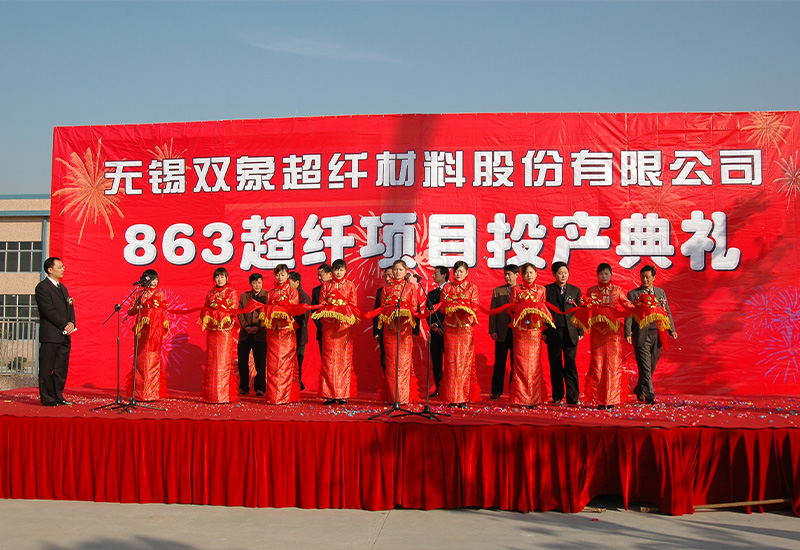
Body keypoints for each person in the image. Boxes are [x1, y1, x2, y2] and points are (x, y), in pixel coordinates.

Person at [575, 263, 633, 410]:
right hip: (597, 333)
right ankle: (599, 399)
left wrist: (638, 306)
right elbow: (586, 308)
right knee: (598, 364)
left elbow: (627, 304)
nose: (604, 276)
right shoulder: (591, 291)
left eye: (606, 273)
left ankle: (611, 398)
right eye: (601, 274)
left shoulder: (617, 290)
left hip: (613, 333)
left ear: (611, 274)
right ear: (597, 275)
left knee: (613, 364)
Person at [625, 264, 678, 404]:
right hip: (641, 334)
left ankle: (639, 389)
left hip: (658, 334)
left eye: (647, 277)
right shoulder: (633, 294)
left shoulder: (660, 293)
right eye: (642, 277)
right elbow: (629, 314)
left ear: (653, 277)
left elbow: (666, 312)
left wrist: (671, 329)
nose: (645, 279)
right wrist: (628, 332)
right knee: (645, 366)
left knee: (652, 364)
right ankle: (649, 396)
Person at [311, 259, 359, 405]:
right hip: (329, 328)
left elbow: (353, 305)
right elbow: (321, 304)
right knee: (329, 361)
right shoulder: (326, 286)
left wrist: (342, 307)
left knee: (344, 361)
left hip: (344, 329)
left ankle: (342, 394)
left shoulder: (350, 285)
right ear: (332, 271)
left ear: (346, 271)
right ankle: (329, 394)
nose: (338, 272)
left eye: (341, 270)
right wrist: (331, 307)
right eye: (336, 270)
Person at [507, 264, 554, 407]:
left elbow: (544, 310)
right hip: (521, 332)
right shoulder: (516, 289)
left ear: (536, 274)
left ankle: (534, 398)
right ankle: (521, 398)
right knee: (520, 365)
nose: (529, 275)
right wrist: (521, 308)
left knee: (534, 365)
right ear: (522, 275)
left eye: (531, 272)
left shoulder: (541, 290)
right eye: (526, 273)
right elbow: (511, 309)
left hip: (535, 331)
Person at [376, 260, 421, 404]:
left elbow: (414, 307)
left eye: (400, 269)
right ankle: (392, 397)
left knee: (403, 364)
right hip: (389, 331)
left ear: (406, 271)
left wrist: (404, 314)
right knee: (391, 364)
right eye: (395, 269)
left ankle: (403, 397)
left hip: (405, 331)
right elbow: (382, 308)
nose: (397, 272)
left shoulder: (410, 287)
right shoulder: (386, 288)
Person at [34, 257, 76, 406]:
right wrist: (64, 324)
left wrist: (71, 323)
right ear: (50, 270)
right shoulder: (42, 287)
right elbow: (48, 311)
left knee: (61, 368)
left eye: (63, 266)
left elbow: (70, 308)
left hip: (64, 335)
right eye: (60, 267)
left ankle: (58, 395)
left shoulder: (63, 288)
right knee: (47, 367)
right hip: (51, 335)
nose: (63, 269)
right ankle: (47, 398)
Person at [439, 261, 481, 408]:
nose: (458, 274)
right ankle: (452, 397)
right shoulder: (447, 287)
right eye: (456, 271)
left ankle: (463, 397)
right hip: (451, 328)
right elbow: (442, 307)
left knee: (464, 363)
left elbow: (475, 307)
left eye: (461, 271)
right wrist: (451, 307)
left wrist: (464, 308)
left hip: (465, 329)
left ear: (467, 273)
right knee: (451, 362)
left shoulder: (472, 288)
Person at [544, 261, 583, 405]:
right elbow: (543, 312)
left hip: (571, 331)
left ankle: (573, 397)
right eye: (560, 273)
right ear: (554, 274)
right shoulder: (547, 290)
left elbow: (580, 311)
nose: (563, 276)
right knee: (555, 363)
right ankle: (557, 396)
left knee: (570, 363)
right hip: (553, 331)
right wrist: (544, 331)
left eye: (565, 273)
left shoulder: (575, 290)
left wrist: (580, 329)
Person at [198, 267, 239, 404]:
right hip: (212, 332)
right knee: (212, 362)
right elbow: (205, 308)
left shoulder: (232, 293)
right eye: (217, 277)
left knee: (223, 362)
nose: (219, 279)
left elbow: (234, 310)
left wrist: (220, 310)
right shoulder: (210, 293)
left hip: (225, 332)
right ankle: (211, 394)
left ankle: (223, 395)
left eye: (222, 277)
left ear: (227, 278)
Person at [127, 269, 169, 401]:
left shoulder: (159, 293)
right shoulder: (138, 294)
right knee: (140, 361)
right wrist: (138, 307)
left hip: (154, 332)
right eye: (151, 279)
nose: (154, 282)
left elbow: (162, 309)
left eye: (156, 279)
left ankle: (152, 393)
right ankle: (139, 393)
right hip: (141, 332)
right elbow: (130, 311)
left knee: (153, 360)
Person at [261, 264, 301, 404]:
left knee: (285, 363)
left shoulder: (293, 292)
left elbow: (293, 309)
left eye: (282, 274)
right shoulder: (270, 293)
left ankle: (285, 396)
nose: (280, 277)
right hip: (273, 333)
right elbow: (267, 310)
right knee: (272, 364)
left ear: (288, 275)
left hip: (286, 333)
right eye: (277, 274)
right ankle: (273, 396)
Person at [489, 264, 518, 399]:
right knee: (499, 362)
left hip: (517, 332)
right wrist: (493, 330)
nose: (507, 277)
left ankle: (514, 390)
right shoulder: (498, 291)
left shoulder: (522, 291)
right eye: (505, 274)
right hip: (501, 331)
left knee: (516, 363)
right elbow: (493, 312)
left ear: (517, 275)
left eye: (509, 274)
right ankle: (496, 391)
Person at [236, 273, 267, 396]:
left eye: (259, 282)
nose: (257, 285)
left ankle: (260, 387)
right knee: (242, 361)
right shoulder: (244, 296)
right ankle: (244, 387)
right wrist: (246, 327)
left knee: (260, 362)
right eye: (254, 283)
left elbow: (268, 313)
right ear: (250, 284)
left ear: (262, 283)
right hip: (245, 334)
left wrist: (258, 327)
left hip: (260, 334)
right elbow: (240, 312)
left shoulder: (267, 296)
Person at [426, 266, 448, 397]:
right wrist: (433, 326)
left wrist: (442, 325)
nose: (434, 276)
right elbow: (427, 312)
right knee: (436, 361)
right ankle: (439, 388)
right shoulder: (432, 294)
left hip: (448, 330)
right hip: (434, 332)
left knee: (450, 361)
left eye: (436, 273)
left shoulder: (451, 291)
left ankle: (450, 388)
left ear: (444, 275)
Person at [288, 271, 310, 391]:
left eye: (290, 283)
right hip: (286, 335)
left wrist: (289, 319)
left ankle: (297, 385)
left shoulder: (303, 297)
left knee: (297, 361)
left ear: (297, 282)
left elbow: (303, 317)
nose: (288, 285)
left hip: (299, 335)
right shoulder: (286, 294)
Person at [372, 267, 393, 373]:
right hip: (384, 330)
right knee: (384, 360)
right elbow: (376, 313)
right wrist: (376, 332)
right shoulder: (380, 292)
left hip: (401, 331)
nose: (387, 278)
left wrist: (415, 332)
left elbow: (415, 310)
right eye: (386, 276)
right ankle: (387, 381)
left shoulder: (405, 289)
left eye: (390, 276)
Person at [311, 263, 333, 357]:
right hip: (322, 330)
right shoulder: (316, 291)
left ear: (330, 274)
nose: (319, 278)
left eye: (321, 275)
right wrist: (321, 324)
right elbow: (314, 310)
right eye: (318, 275)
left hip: (337, 331)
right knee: (324, 358)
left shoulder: (338, 288)